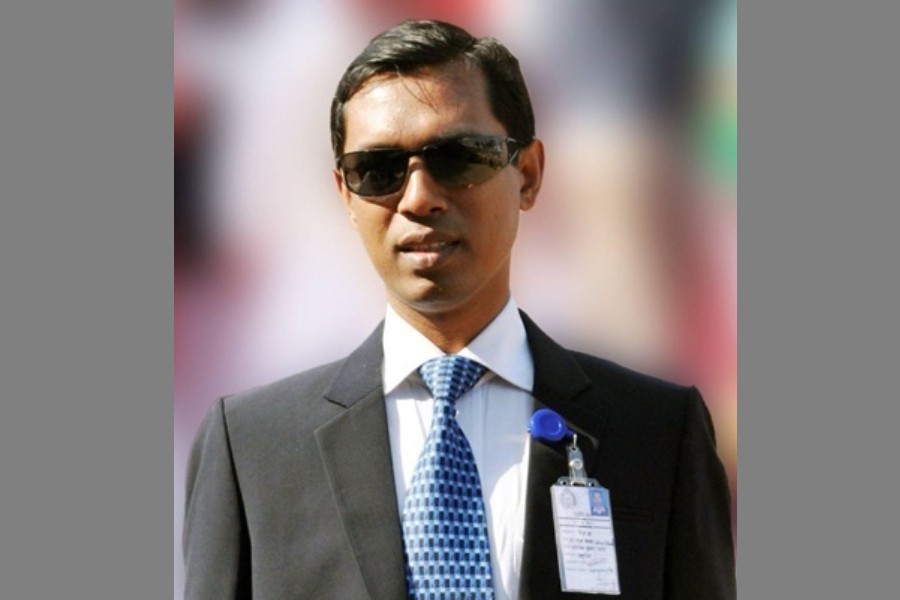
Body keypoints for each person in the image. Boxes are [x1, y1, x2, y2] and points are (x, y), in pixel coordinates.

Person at [182, 19, 735, 599]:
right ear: (345, 194)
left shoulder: (654, 432)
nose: (419, 197)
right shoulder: (253, 448)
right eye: (378, 170)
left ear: (528, 174)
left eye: (459, 158)